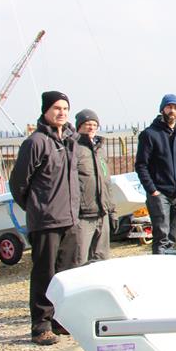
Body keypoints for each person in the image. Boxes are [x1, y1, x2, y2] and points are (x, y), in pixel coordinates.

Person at [9, 91, 80, 346]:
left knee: (66, 274)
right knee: (44, 274)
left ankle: (61, 320)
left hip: (69, 219)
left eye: (65, 108)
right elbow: (18, 183)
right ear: (46, 111)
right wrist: (36, 207)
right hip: (46, 220)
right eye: (56, 108)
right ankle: (41, 325)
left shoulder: (71, 140)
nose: (61, 113)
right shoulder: (36, 142)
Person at [134, 94, 176, 255]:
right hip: (159, 193)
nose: (172, 111)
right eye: (169, 107)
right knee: (161, 237)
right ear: (162, 109)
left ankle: (170, 266)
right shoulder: (149, 134)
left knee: (172, 237)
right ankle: (159, 268)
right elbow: (141, 165)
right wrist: (152, 190)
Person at [75, 109, 117, 264]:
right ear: (79, 126)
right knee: (80, 260)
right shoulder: (73, 149)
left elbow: (107, 183)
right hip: (83, 215)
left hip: (103, 213)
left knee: (102, 260)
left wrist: (112, 211)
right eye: (87, 124)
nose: (91, 127)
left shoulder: (100, 150)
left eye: (94, 124)